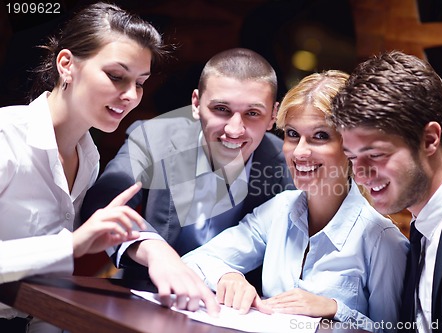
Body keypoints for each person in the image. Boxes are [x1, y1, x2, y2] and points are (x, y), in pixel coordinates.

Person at [182, 70, 409, 332]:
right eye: (292, 134)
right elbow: (194, 261)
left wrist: (336, 309)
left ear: (353, 147)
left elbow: (395, 330)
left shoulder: (383, 240)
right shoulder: (278, 209)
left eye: (320, 136)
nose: (300, 151)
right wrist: (228, 275)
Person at [0, 2, 175, 332]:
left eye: (140, 82)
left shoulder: (89, 159)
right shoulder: (6, 137)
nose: (130, 96)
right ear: (66, 65)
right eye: (116, 76)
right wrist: (73, 243)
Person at [80, 48, 294, 310]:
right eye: (221, 109)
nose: (234, 130)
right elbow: (102, 203)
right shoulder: (153, 138)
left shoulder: (287, 164)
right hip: (149, 299)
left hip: (235, 311)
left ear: (273, 115)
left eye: (252, 114)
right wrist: (154, 250)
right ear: (195, 104)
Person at [331, 50, 442, 333]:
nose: (359, 173)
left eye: (375, 154)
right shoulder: (422, 225)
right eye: (352, 157)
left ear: (430, 139)